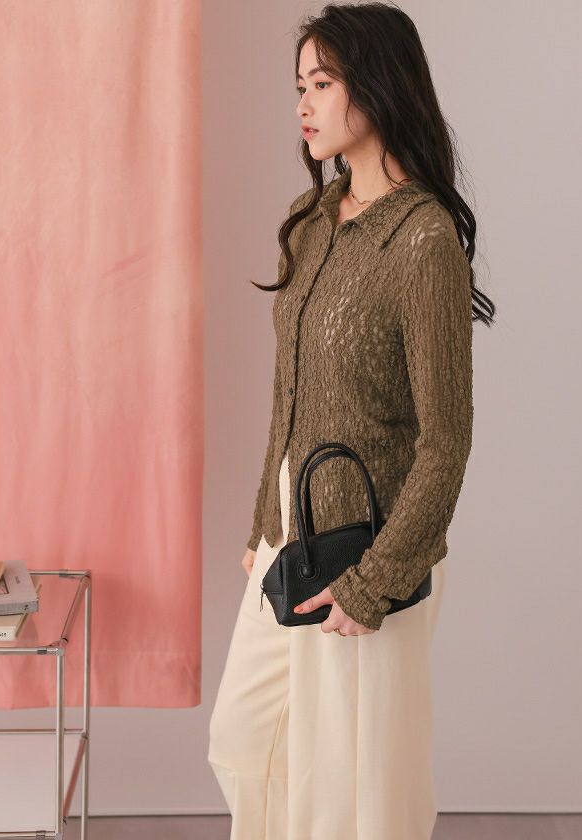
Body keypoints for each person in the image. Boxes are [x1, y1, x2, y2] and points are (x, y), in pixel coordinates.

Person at [208, 3, 495, 838]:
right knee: (246, 740)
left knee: (352, 794)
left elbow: (447, 441)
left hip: (368, 547)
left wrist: (375, 584)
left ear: (376, 85)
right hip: (293, 535)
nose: (303, 104)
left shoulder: (423, 241)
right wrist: (264, 524)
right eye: (299, 85)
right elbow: (287, 394)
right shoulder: (310, 224)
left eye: (323, 83)